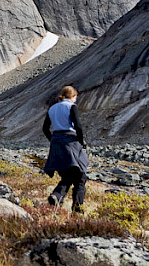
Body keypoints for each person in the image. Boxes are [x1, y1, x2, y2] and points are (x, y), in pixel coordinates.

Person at [42, 85, 89, 214]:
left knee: (67, 175)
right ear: (72, 96)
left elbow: (45, 128)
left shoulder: (52, 108)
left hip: (57, 143)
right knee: (80, 175)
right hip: (70, 142)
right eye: (75, 97)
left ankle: (57, 196)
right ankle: (78, 209)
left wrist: (53, 140)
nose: (76, 100)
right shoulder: (71, 107)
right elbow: (78, 126)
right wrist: (81, 141)